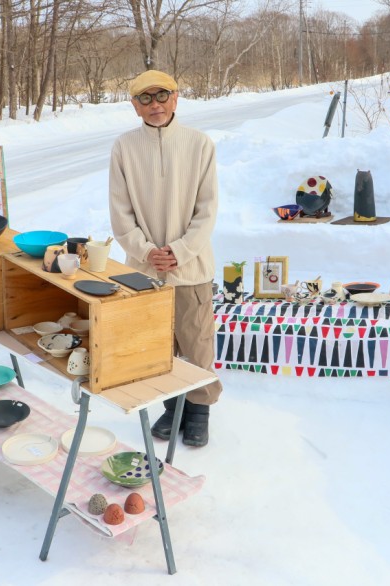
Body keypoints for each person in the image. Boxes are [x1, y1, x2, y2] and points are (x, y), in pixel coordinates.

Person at [108, 69, 222, 447]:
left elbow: (207, 210)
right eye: (145, 98)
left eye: (162, 96)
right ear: (134, 105)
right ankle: (172, 408)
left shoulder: (199, 144)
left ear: (176, 98)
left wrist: (179, 251)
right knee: (155, 345)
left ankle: (198, 411)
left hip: (191, 266)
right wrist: (145, 251)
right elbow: (119, 210)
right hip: (143, 270)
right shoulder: (124, 147)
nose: (154, 105)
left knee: (196, 341)